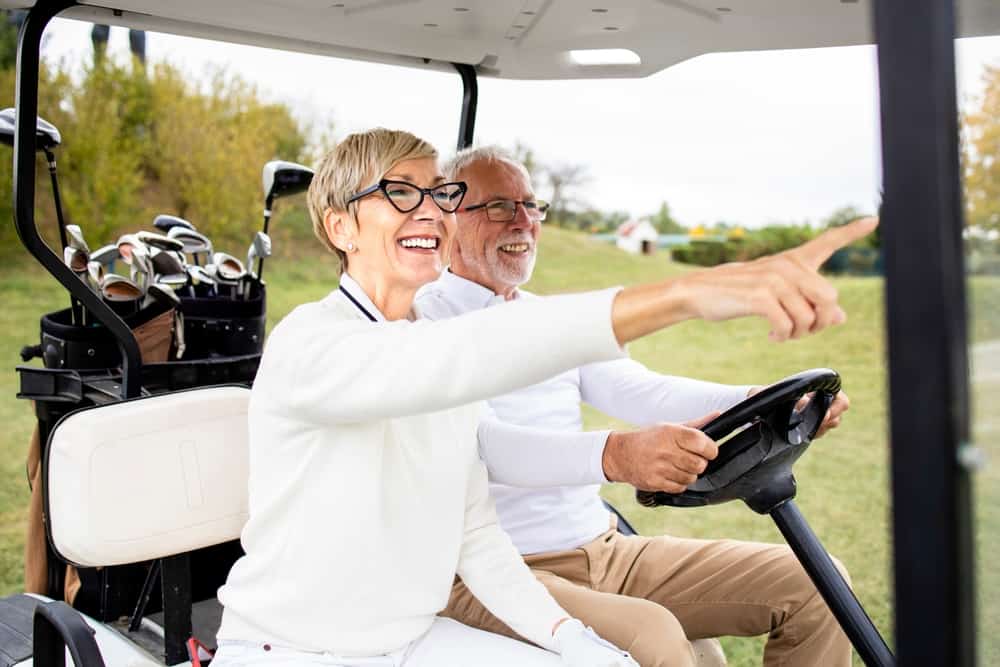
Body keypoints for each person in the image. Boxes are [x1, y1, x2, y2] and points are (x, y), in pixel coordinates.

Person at [212, 128, 873, 666]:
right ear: (341, 227)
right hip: (301, 643)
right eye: (398, 194)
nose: (428, 212)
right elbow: (470, 360)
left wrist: (571, 638)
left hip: (419, 624)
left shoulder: (441, 333)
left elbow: (476, 527)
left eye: (435, 194)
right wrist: (684, 295)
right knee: (661, 642)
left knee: (809, 588)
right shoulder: (318, 344)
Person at [414, 145, 861, 667]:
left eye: (531, 206)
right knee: (659, 637)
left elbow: (644, 392)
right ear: (445, 217)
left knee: (820, 584)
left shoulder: (546, 318)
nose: (523, 222)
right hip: (490, 572)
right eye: (498, 207)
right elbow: (485, 447)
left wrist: (757, 401)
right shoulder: (420, 326)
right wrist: (617, 455)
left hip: (603, 550)